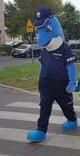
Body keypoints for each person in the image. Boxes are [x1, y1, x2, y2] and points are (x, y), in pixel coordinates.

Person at [27, 8, 77, 142]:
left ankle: (72, 119)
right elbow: (42, 65)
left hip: (61, 84)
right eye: (38, 31)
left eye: (45, 30)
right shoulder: (44, 51)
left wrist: (72, 82)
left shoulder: (64, 48)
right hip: (46, 84)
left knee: (66, 106)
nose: (40, 37)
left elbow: (71, 66)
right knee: (44, 107)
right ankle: (41, 130)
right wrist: (39, 79)